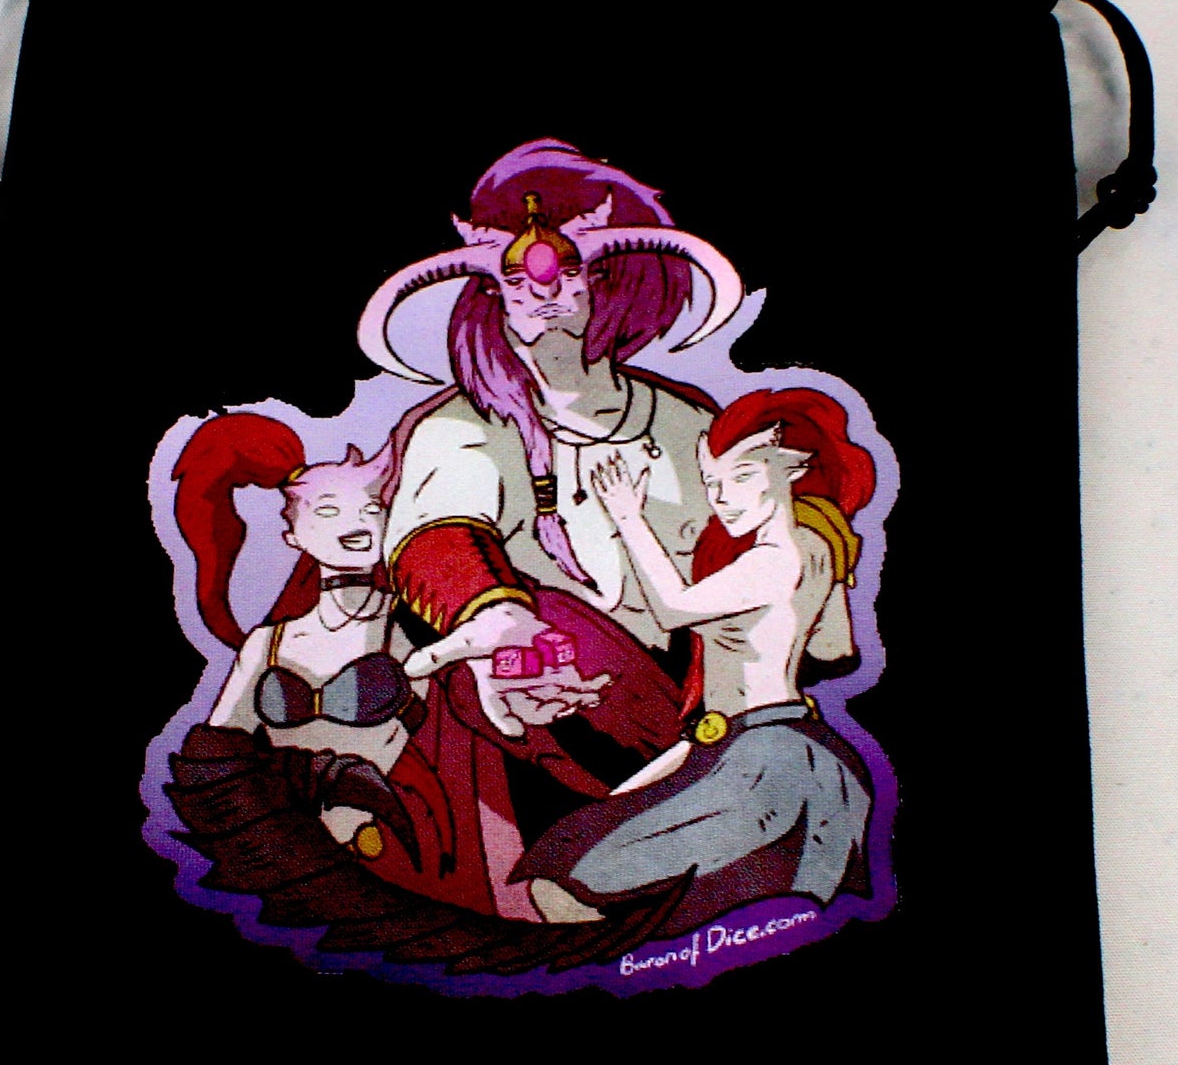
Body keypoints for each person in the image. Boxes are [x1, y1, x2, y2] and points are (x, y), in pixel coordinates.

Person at [358, 139, 746, 791]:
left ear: (608, 279)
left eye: (569, 271)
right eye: (516, 279)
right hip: (546, 719)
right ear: (491, 292)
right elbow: (436, 536)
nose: (544, 291)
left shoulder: (690, 422)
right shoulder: (460, 427)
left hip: (710, 709)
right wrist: (493, 617)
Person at [513, 387, 877, 933]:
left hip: (766, 758)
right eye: (711, 482)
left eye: (742, 477)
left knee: (574, 878)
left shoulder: (776, 558)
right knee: (587, 863)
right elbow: (835, 648)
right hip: (745, 745)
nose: (722, 497)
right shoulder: (816, 547)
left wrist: (627, 516)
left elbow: (672, 608)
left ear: (794, 467)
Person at [164, 412, 493, 913]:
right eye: (328, 510)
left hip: (392, 843)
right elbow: (216, 753)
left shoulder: (411, 625)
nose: (356, 523)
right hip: (281, 842)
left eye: (371, 508)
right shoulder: (268, 643)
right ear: (292, 536)